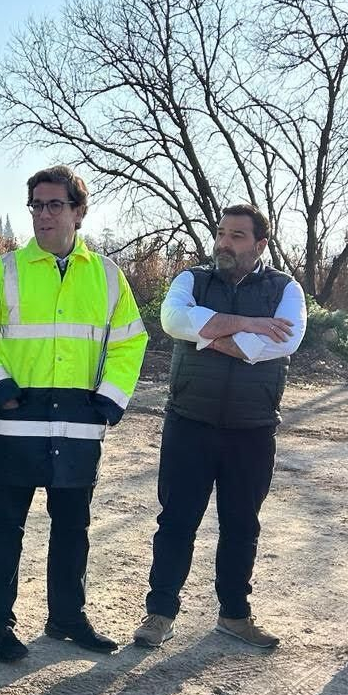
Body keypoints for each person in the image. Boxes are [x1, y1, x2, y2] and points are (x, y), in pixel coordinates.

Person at [0, 165, 147, 663]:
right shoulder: (4, 271)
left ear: (78, 212)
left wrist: (110, 397)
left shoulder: (107, 276)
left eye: (55, 204)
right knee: (4, 528)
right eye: (36, 205)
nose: (43, 214)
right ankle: (0, 624)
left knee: (72, 529)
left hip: (79, 421)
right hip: (14, 419)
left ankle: (67, 618)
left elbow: (129, 341)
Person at [136, 203, 308, 651]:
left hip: (252, 429)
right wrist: (250, 325)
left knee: (241, 525)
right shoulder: (192, 280)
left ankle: (234, 615)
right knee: (176, 521)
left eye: (236, 236)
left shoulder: (285, 289)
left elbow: (285, 339)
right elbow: (174, 320)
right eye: (221, 233)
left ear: (260, 244)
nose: (224, 243)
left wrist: (207, 335)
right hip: (189, 421)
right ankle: (160, 614)